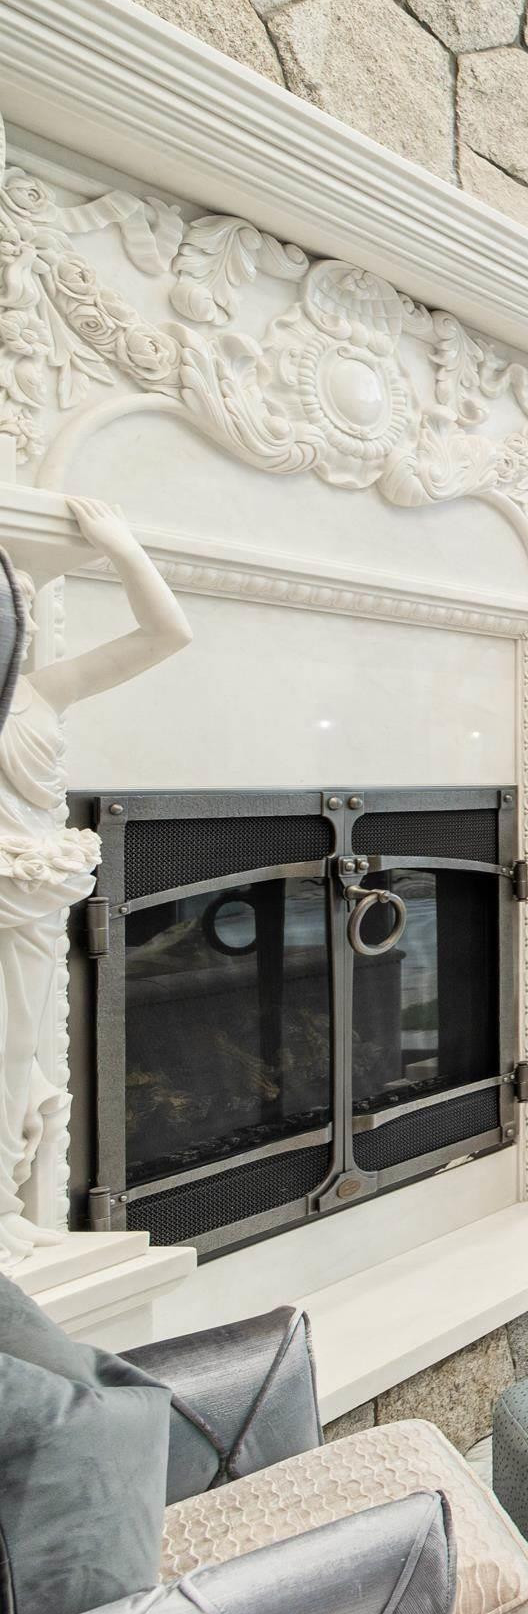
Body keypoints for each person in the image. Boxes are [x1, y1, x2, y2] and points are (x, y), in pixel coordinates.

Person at [0, 497, 191, 1256]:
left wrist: (122, 550)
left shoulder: (42, 692)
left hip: (35, 896)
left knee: (20, 1055)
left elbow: (167, 634)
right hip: (13, 894)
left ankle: (7, 1209)